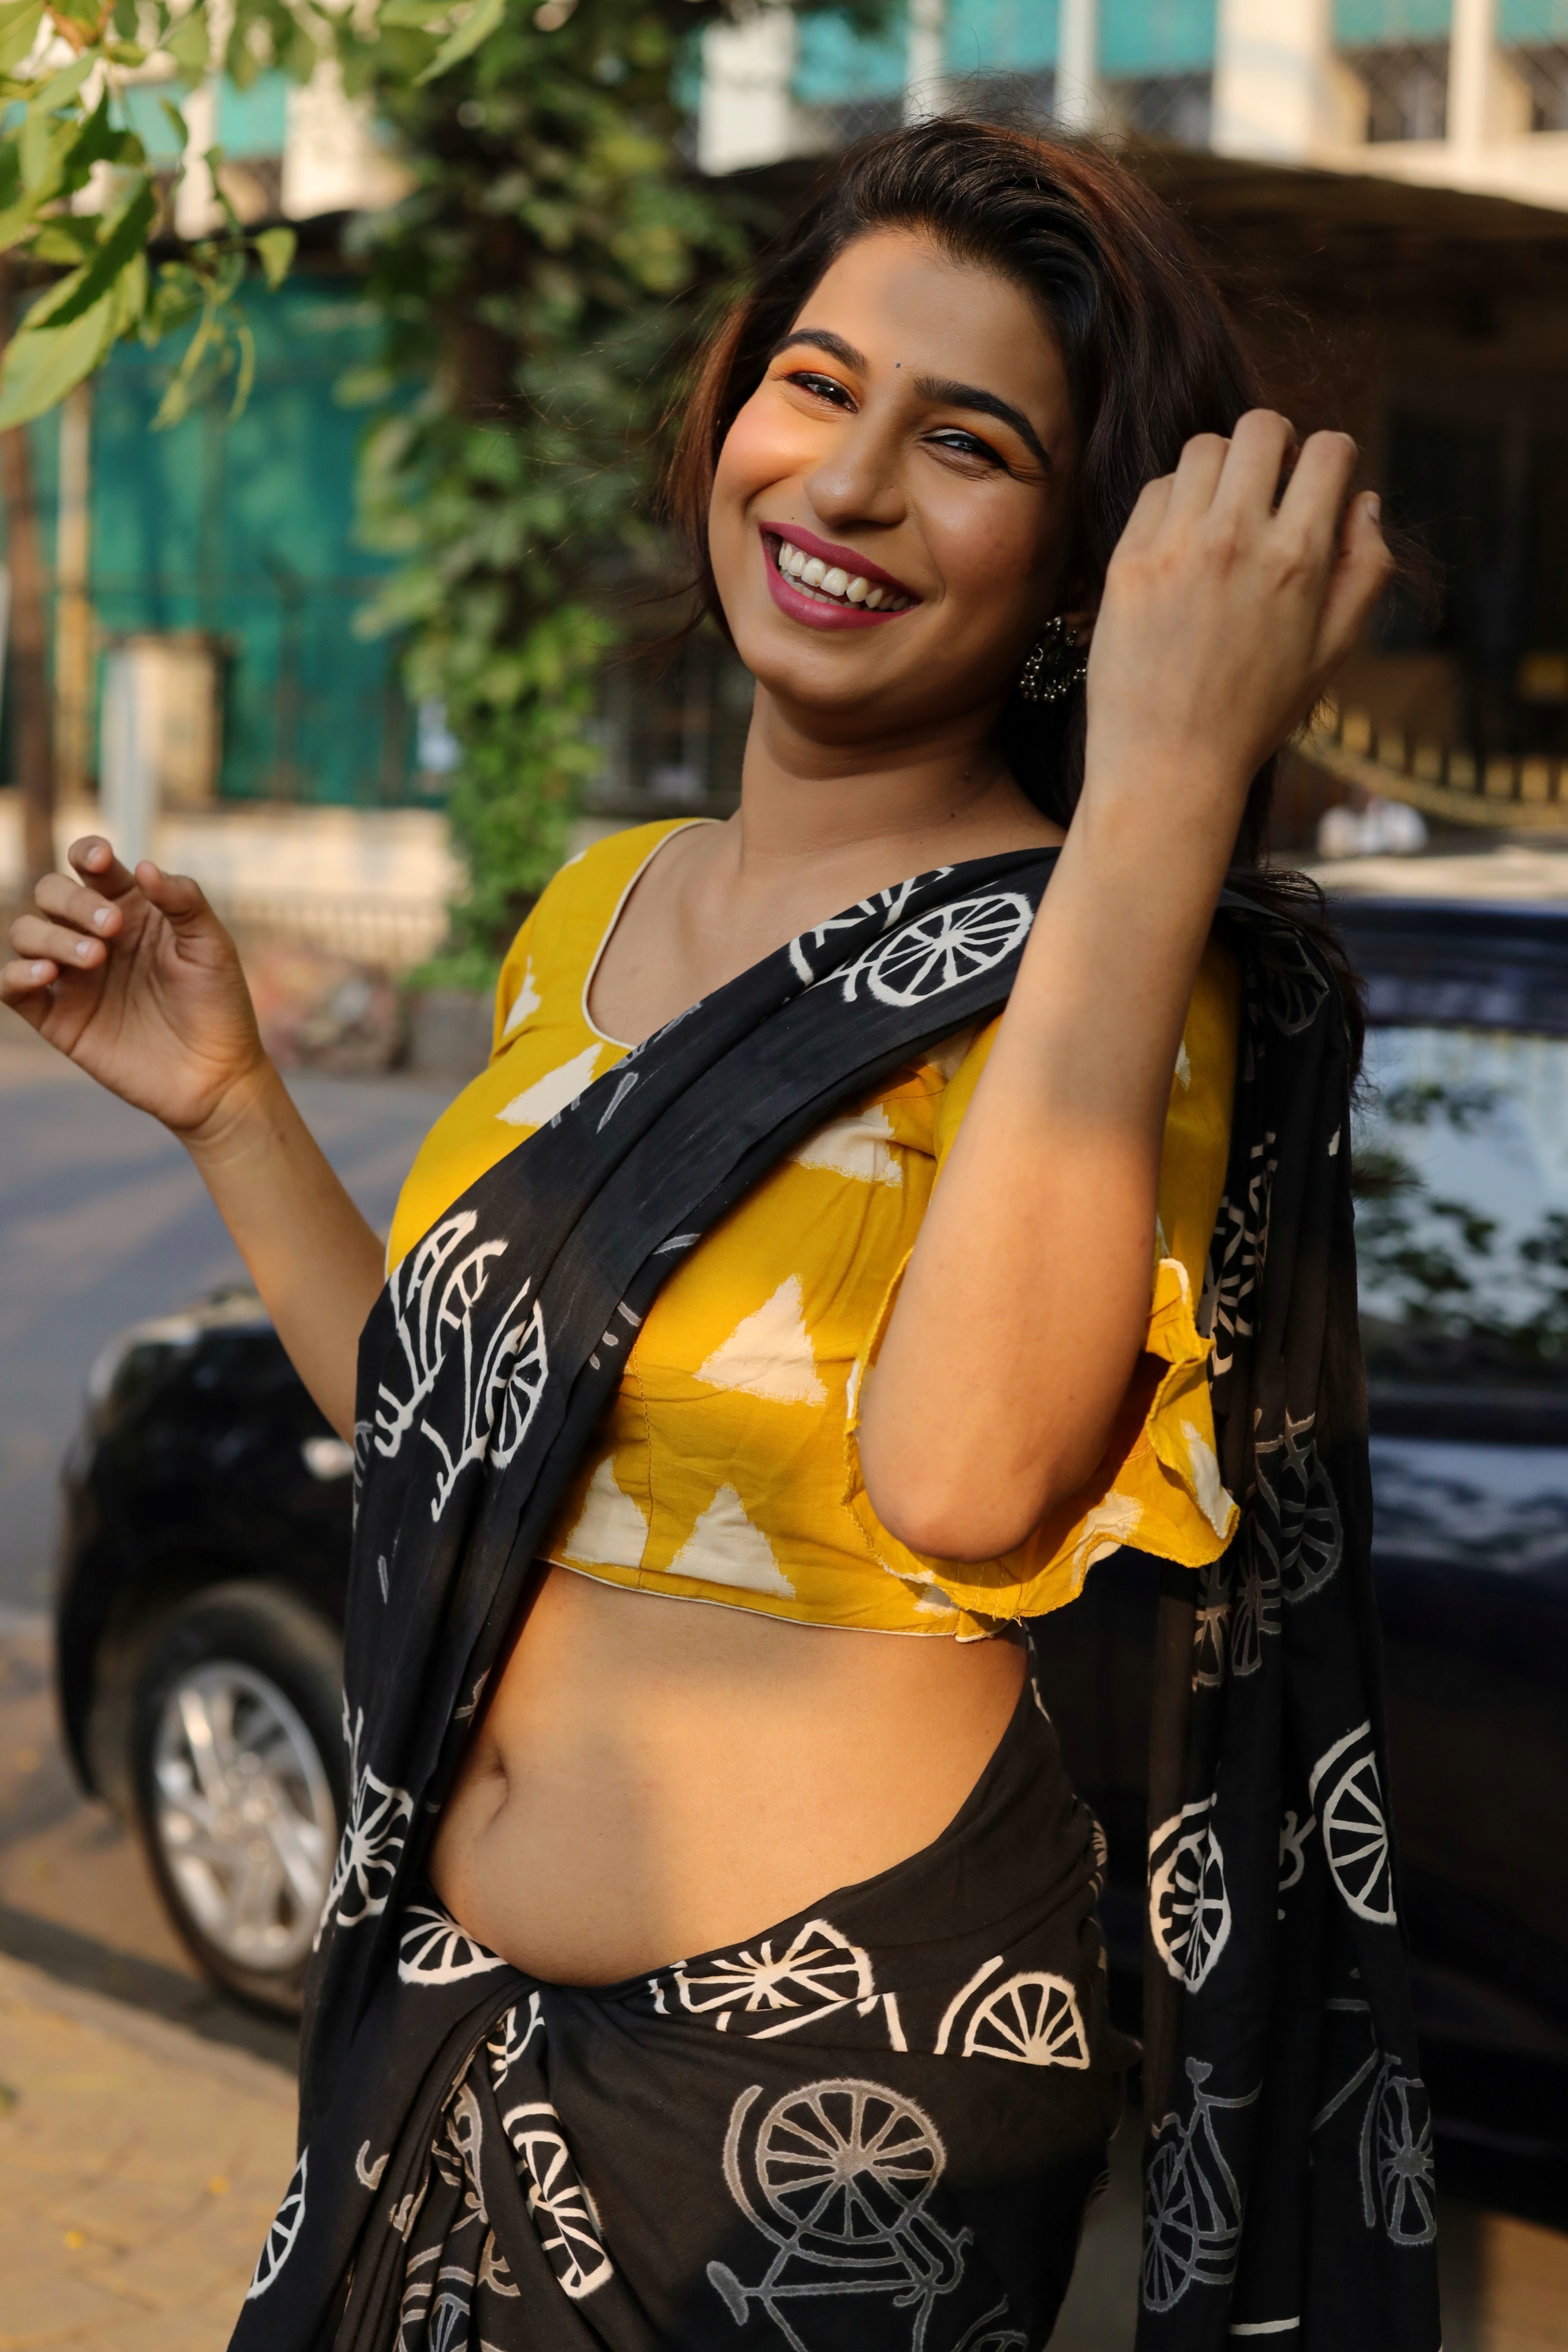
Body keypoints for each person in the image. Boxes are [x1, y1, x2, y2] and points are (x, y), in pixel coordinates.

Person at [3, 121, 1439, 2352]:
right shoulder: (605, 903)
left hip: (823, 2089)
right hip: (444, 2021)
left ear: (1084, 563)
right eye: (815, 385)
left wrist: (1164, 792)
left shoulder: (1101, 966)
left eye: (964, 442)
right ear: (727, 418)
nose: (845, 484)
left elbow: (965, 1477)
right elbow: (466, 1435)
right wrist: (230, 1107)